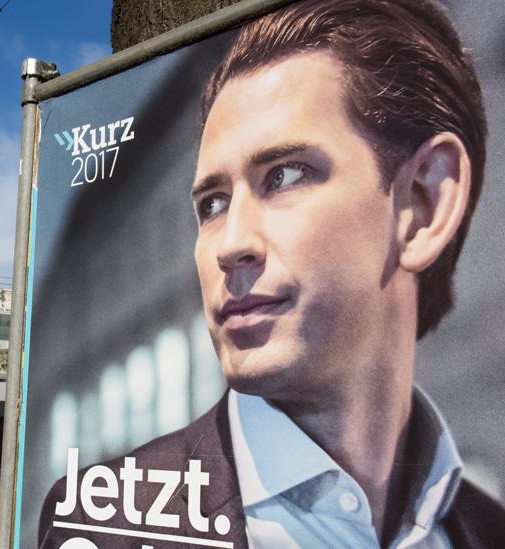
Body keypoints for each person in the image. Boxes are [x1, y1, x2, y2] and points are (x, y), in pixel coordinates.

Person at [38, 1, 504, 547]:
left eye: (284, 176)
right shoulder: (104, 519)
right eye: (212, 204)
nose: (230, 245)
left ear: (423, 205)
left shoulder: (486, 525)